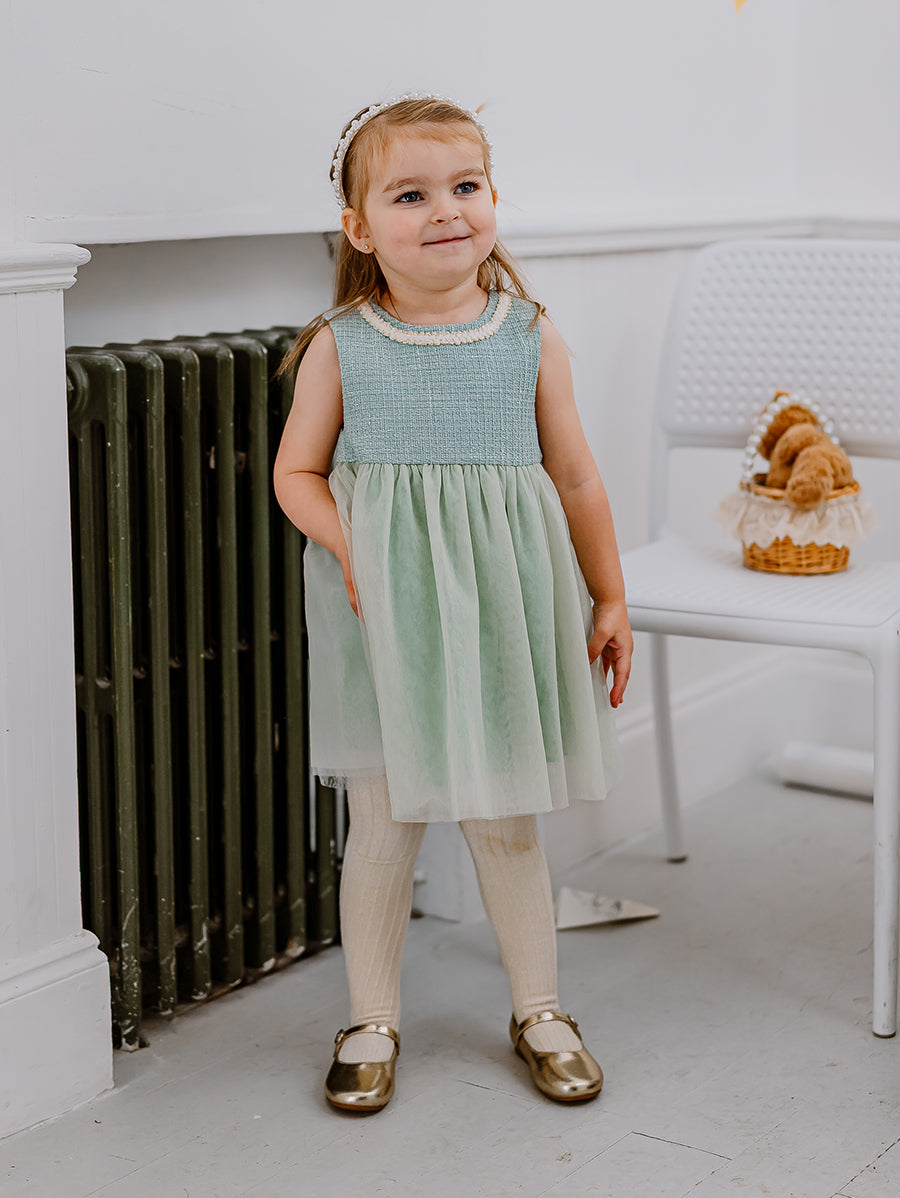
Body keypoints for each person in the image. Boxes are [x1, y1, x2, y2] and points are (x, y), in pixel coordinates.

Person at [273, 94, 632, 1113]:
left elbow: (577, 477)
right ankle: (370, 1017)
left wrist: (609, 595)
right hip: (384, 623)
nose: (445, 210)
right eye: (411, 194)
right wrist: (352, 541)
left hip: (501, 617)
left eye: (464, 185)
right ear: (358, 228)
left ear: (492, 198)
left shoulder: (528, 336)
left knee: (504, 819)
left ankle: (540, 1009)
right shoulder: (343, 343)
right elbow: (296, 473)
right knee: (383, 824)